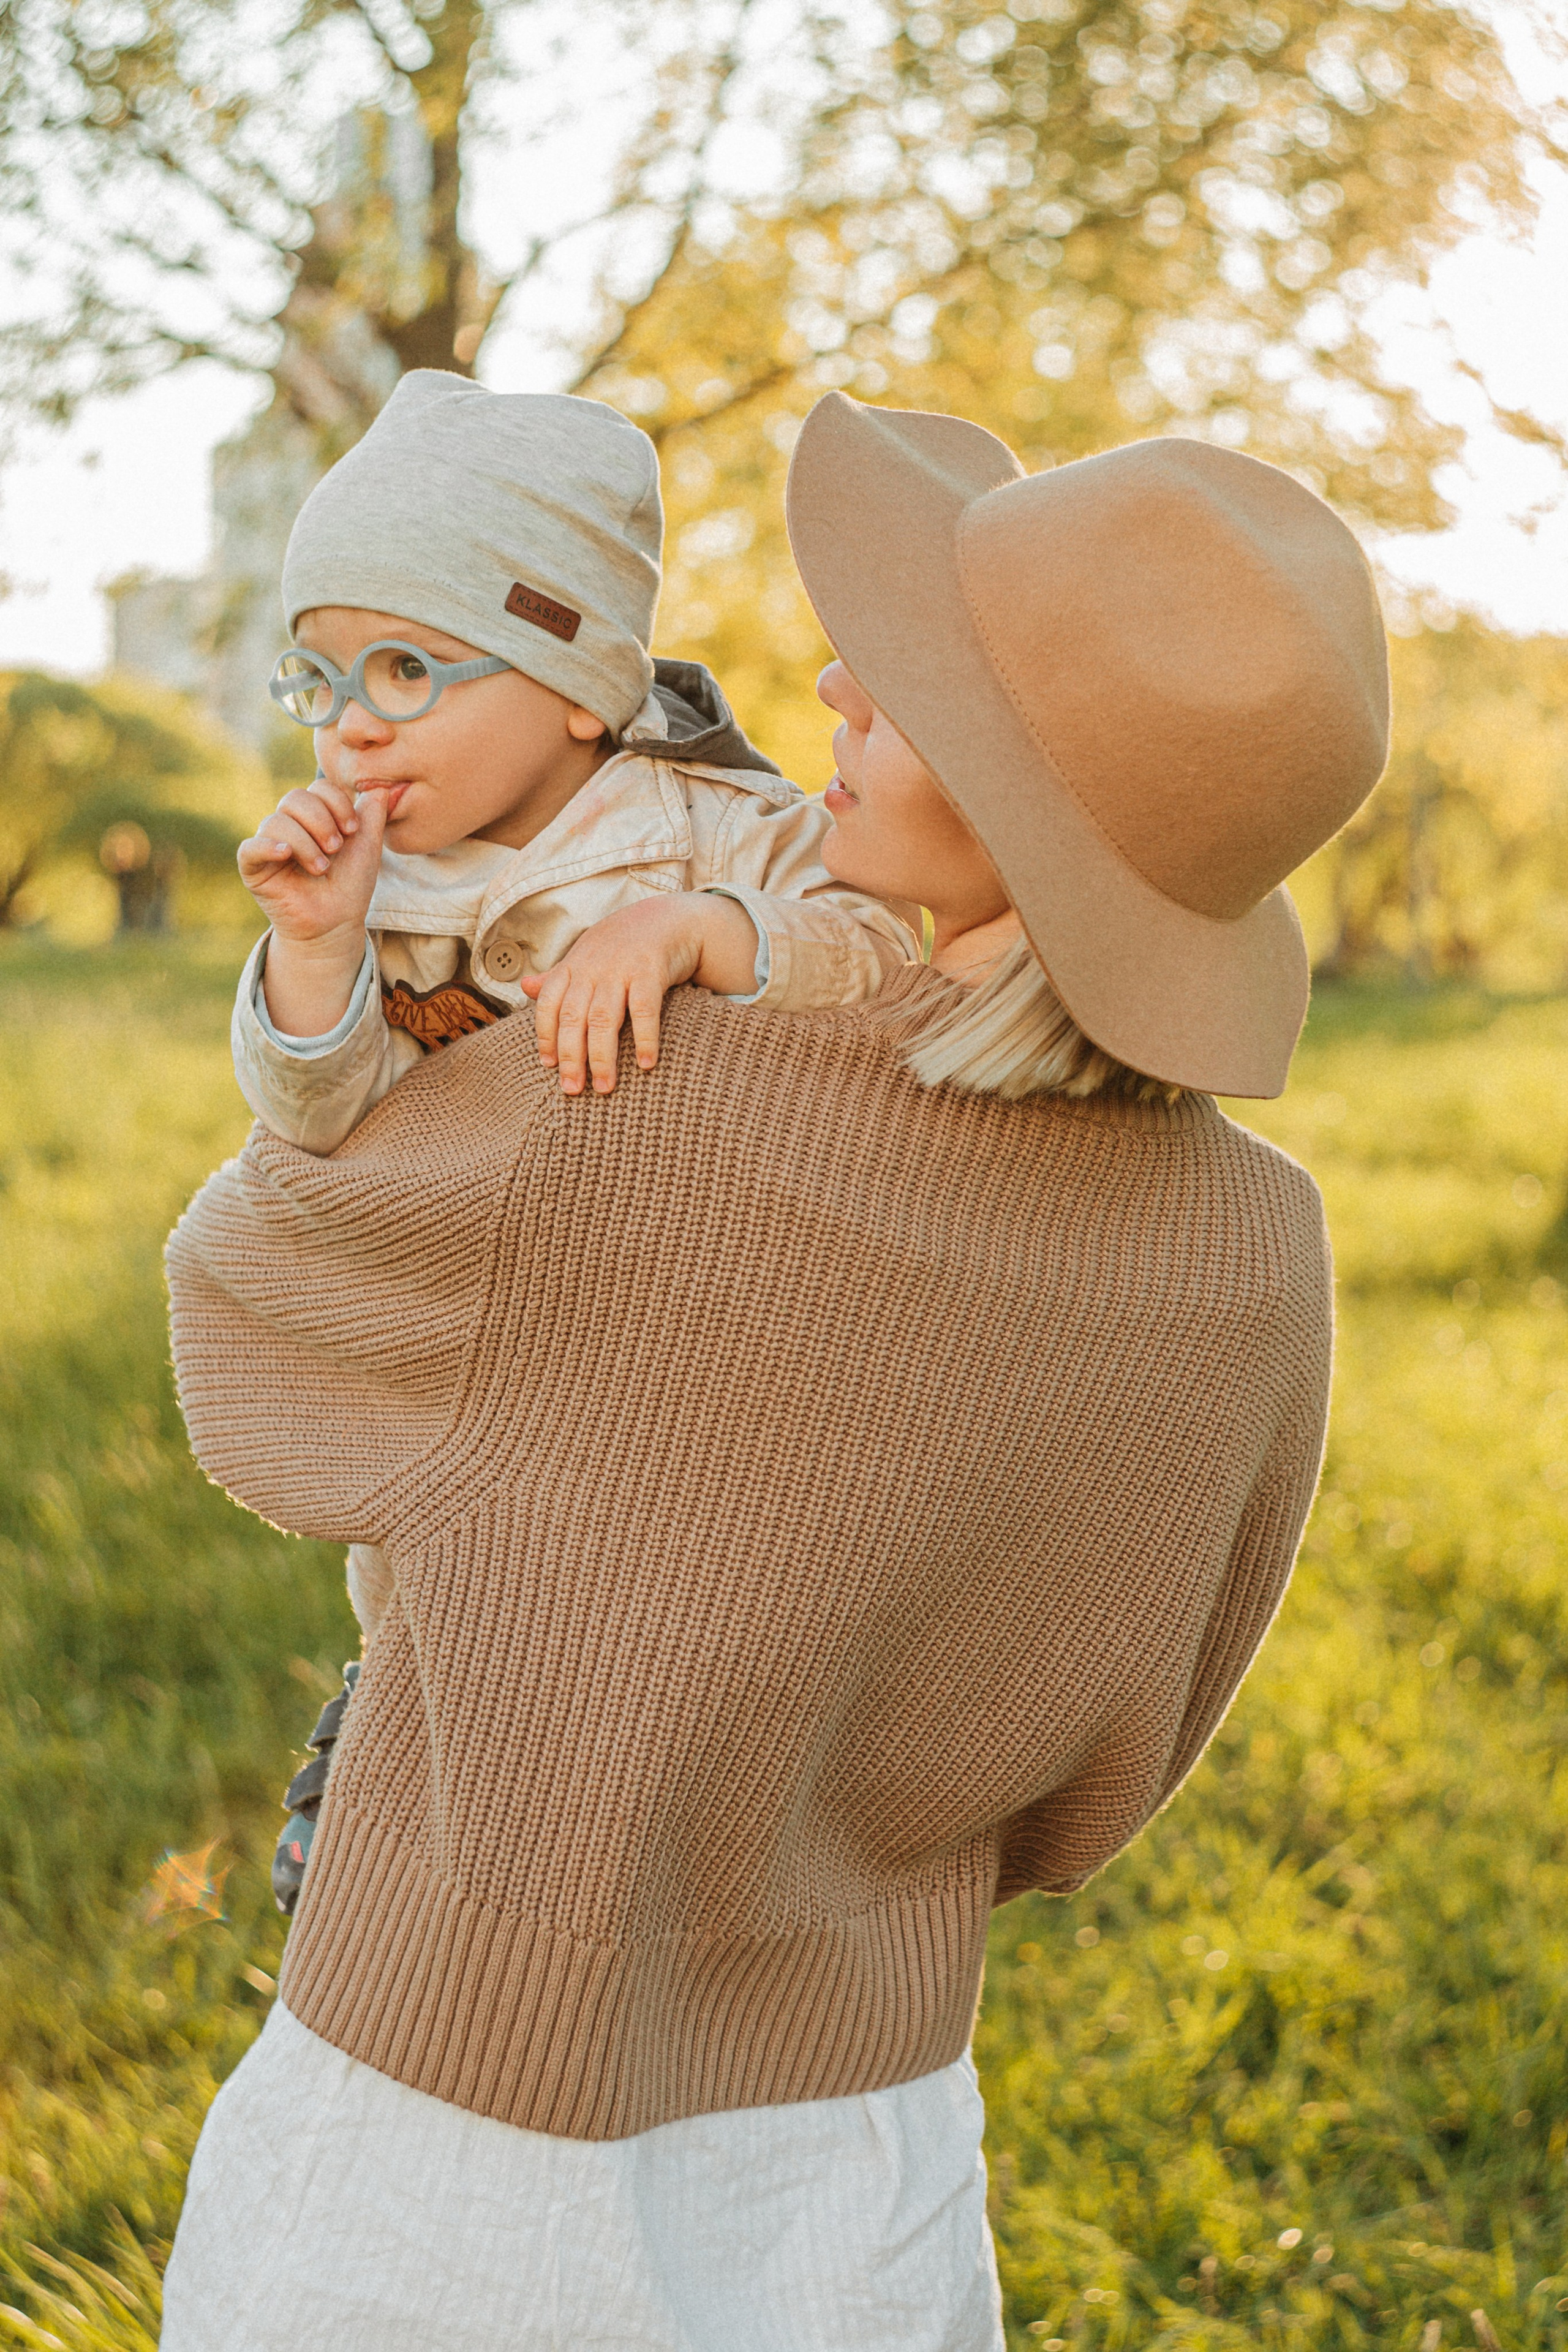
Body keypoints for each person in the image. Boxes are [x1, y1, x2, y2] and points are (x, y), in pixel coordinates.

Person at [158, 392, 1389, 2351]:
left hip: (453, 2104)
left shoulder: (639, 1109)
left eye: (895, 689)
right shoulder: (1258, 1259)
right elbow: (1101, 1792)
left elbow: (252, 1327)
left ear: (1014, 796)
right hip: (870, 2147)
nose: (824, 675)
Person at [232, 369, 918, 1901]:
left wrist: (708, 930)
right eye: (318, 680)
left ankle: (708, 1823)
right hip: (483, 1356)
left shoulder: (721, 830)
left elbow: (880, 952)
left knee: (689, 1631)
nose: (346, 731)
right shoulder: (376, 893)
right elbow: (314, 1119)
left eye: (403, 670)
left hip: (711, 1348)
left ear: (576, 680)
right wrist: (316, 957)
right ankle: (401, 1757)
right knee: (447, 1600)